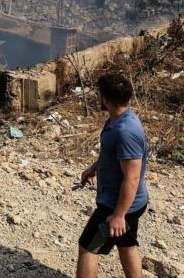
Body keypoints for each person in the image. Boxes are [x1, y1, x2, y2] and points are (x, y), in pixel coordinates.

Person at [76, 72, 149, 278]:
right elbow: (114, 155)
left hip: (118, 204)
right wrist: (94, 167)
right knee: (126, 244)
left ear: (105, 99)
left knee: (89, 247)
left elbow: (132, 177)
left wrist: (118, 215)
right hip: (128, 203)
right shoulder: (117, 120)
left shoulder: (126, 131)